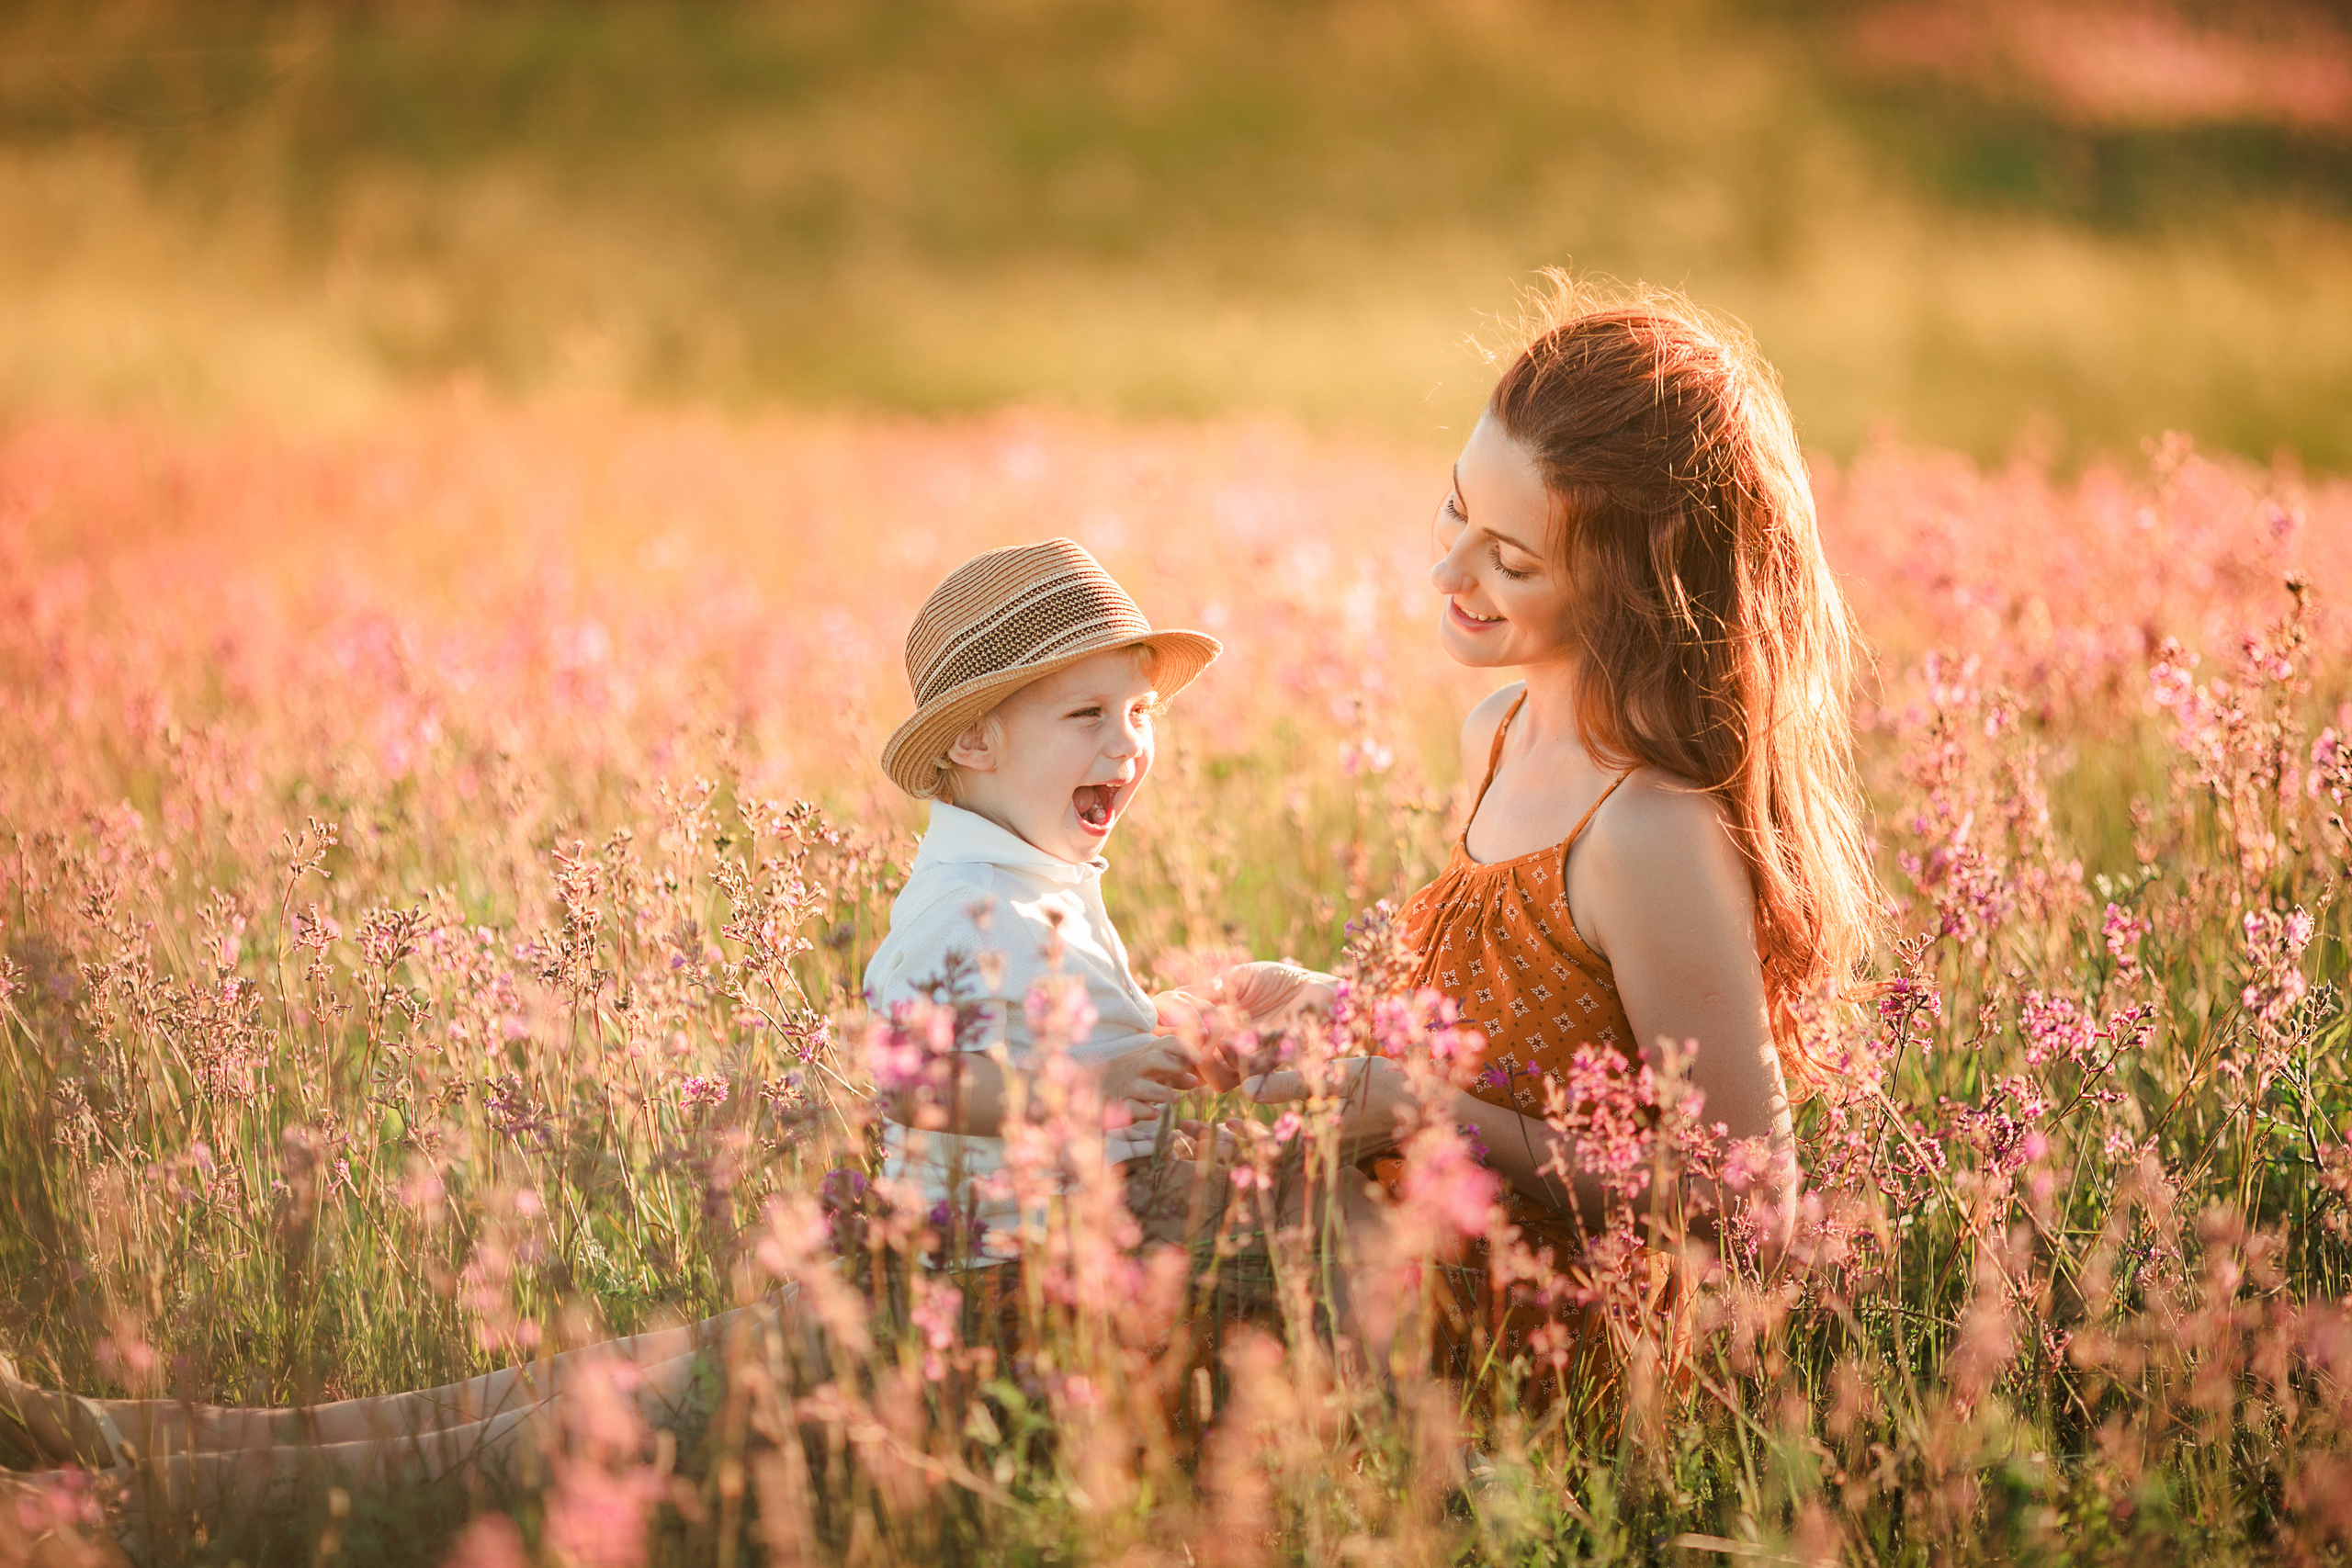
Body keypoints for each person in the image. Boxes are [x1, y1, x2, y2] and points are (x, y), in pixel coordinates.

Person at [1246, 279, 1876, 1382]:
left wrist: (1422, 1111)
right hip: (1416, 1293)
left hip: (1548, 1376)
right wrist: (1329, 1014)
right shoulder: (1498, 730)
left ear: (1637, 588)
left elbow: (1745, 1204)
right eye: (1456, 510)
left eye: (1513, 560)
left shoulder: (1647, 832)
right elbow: (1512, 1039)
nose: (1449, 572)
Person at [862, 536, 1329, 1260]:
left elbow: (1047, 1023)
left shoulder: (1036, 872)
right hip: (1020, 1254)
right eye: (1088, 714)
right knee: (1333, 1216)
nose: (1128, 742)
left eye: (1141, 711)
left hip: (1101, 1206)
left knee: (1328, 1193)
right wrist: (1090, 1086)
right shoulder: (966, 902)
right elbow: (912, 1079)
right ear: (975, 743)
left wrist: (1169, 1030)